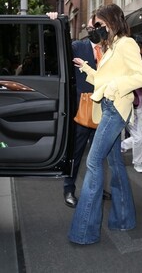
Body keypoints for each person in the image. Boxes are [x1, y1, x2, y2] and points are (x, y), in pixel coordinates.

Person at [69, 3, 142, 244]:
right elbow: (104, 81)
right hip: (107, 106)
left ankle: (84, 232)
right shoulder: (111, 47)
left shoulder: (126, 43)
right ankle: (124, 219)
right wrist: (86, 69)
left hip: (115, 109)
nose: (97, 29)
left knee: (93, 163)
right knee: (114, 163)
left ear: (113, 22)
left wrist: (116, 87)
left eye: (100, 25)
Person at [47, 12, 112, 207]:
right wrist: (53, 23)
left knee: (98, 155)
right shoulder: (78, 47)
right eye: (92, 28)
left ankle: (96, 188)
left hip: (105, 110)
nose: (95, 31)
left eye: (99, 27)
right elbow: (54, 52)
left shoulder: (110, 51)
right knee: (76, 154)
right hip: (82, 110)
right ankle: (68, 189)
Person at [120, 42, 142, 173]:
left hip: (138, 105)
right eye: (139, 53)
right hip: (127, 106)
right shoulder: (127, 65)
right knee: (138, 138)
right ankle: (138, 163)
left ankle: (122, 145)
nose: (141, 55)